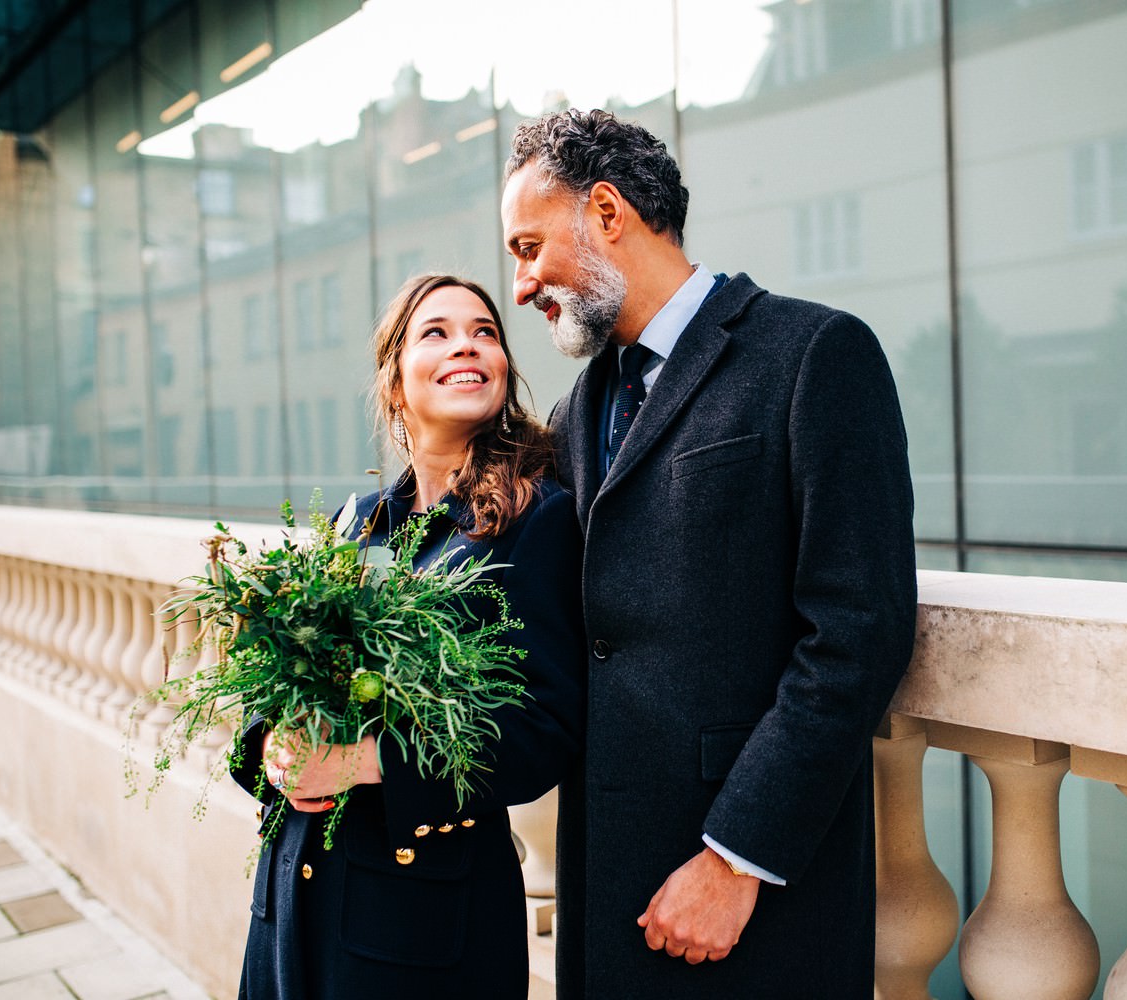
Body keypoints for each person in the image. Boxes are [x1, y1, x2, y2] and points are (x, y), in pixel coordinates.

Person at [500, 109, 918, 998]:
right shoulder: (583, 406)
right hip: (606, 880)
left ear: (607, 213)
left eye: (530, 247)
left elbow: (858, 633)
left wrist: (736, 860)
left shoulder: (814, 354)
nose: (524, 282)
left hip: (749, 896)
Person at [230, 274, 586, 999]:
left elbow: (542, 732)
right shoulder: (360, 522)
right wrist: (271, 746)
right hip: (296, 897)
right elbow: (290, 672)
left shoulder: (534, 519)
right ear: (395, 384)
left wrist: (363, 762)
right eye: (438, 332)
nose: (468, 344)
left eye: (485, 332)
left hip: (418, 921)